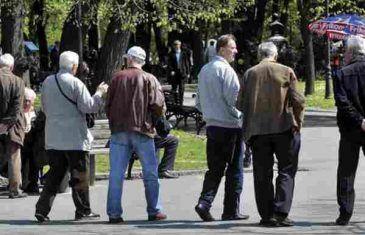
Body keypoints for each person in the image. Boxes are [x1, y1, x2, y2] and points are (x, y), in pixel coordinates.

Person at [34, 51, 108, 223]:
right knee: (79, 175)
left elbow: (44, 107)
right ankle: (83, 210)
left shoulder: (48, 82)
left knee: (54, 175)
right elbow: (89, 107)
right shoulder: (76, 83)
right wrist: (99, 93)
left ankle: (41, 209)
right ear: (74, 66)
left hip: (53, 137)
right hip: (74, 137)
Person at [237, 41, 305, 227]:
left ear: (260, 55)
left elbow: (239, 104)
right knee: (286, 170)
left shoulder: (250, 73)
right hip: (283, 127)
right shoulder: (286, 71)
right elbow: (298, 100)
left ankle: (266, 215)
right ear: (275, 55)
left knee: (262, 173)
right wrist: (298, 123)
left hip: (258, 131)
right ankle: (280, 212)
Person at [105, 46, 166, 223]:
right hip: (143, 129)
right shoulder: (149, 78)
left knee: (116, 174)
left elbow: (108, 105)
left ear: (129, 59)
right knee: (150, 173)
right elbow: (158, 105)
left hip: (119, 130)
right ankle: (154, 210)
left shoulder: (117, 77)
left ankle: (114, 213)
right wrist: (154, 121)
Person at [194, 34, 249, 222]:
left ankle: (204, 203)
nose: (236, 51)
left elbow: (199, 103)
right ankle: (231, 210)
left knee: (215, 169)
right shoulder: (227, 71)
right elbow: (233, 101)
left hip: (212, 126)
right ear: (222, 48)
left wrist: (209, 115)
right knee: (234, 169)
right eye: (233, 47)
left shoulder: (204, 70)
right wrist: (240, 117)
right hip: (230, 127)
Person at [333, 35, 365, 226]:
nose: (344, 54)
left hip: (349, 129)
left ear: (351, 52)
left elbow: (342, 103)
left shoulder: (342, 74)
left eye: (346, 51)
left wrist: (359, 120)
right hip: (358, 125)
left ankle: (345, 213)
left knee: (346, 171)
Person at [0, 53, 27, 199]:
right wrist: (5, 124)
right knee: (14, 157)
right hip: (13, 125)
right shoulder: (18, 82)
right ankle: (14, 189)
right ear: (11, 66)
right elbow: (17, 109)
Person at [167, 40, 192, 105]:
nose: (176, 46)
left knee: (181, 89)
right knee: (174, 88)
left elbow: (187, 63)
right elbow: (169, 63)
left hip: (182, 73)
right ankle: (175, 102)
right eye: (175, 44)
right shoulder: (171, 54)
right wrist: (171, 70)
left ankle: (181, 102)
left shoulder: (184, 53)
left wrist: (188, 72)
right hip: (175, 73)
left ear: (180, 45)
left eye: (177, 44)